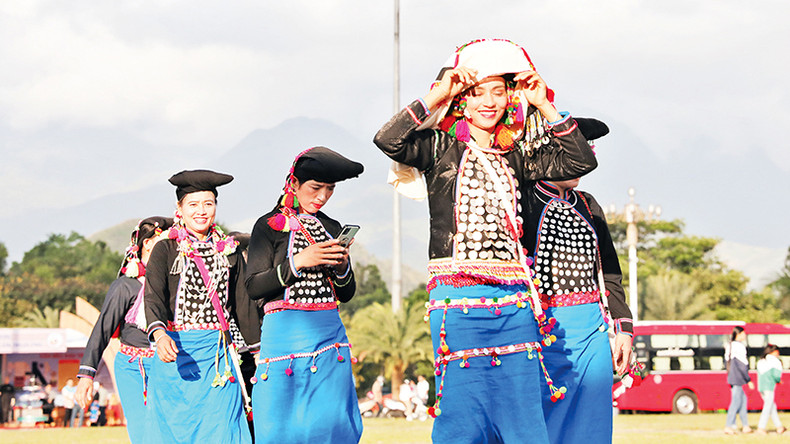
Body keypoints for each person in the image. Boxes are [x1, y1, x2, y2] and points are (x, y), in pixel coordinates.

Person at [373, 39, 597, 443]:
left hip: (515, 304)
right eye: (477, 93)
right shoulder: (440, 149)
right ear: (463, 101)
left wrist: (544, 104)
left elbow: (580, 161)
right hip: (459, 302)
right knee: (462, 411)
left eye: (498, 91)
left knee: (522, 411)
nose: (488, 102)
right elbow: (389, 140)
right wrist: (437, 94)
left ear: (510, 97)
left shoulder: (520, 155)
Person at [520, 117, 633, 444]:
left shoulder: (587, 204)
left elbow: (610, 272)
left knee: (592, 421)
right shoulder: (526, 199)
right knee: (544, 418)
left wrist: (623, 328)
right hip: (544, 330)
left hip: (593, 331)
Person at [246, 146, 364, 443]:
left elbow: (346, 293)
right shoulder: (268, 226)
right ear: (294, 184)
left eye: (330, 189)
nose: (322, 196)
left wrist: (342, 267)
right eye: (315, 188)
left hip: (329, 336)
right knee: (280, 423)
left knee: (329, 421)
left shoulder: (332, 227)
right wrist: (299, 261)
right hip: (283, 335)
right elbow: (253, 286)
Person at [144, 170, 258, 444]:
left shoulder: (228, 250)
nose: (202, 211)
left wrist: (256, 350)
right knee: (177, 431)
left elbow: (242, 302)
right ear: (179, 208)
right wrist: (159, 335)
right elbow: (153, 296)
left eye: (208, 203)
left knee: (224, 429)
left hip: (219, 360)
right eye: (193, 204)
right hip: (177, 352)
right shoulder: (166, 249)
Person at [74, 216, 171, 440]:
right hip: (134, 367)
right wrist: (86, 376)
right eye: (165, 240)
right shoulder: (125, 286)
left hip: (168, 363)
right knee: (143, 431)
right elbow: (102, 329)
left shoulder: (173, 282)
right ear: (148, 244)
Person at [724, 326, 753, 434]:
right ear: (739, 334)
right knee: (736, 402)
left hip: (732, 377)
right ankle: (729, 426)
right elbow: (743, 365)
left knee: (743, 400)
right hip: (738, 378)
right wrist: (748, 379)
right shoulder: (739, 347)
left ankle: (745, 426)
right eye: (743, 333)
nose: (745, 335)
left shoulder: (729, 345)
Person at [757, 344, 785, 434]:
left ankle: (779, 427)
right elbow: (776, 375)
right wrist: (779, 381)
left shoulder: (761, 360)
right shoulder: (775, 361)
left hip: (761, 387)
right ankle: (761, 427)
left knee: (772, 407)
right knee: (768, 407)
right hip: (769, 387)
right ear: (774, 351)